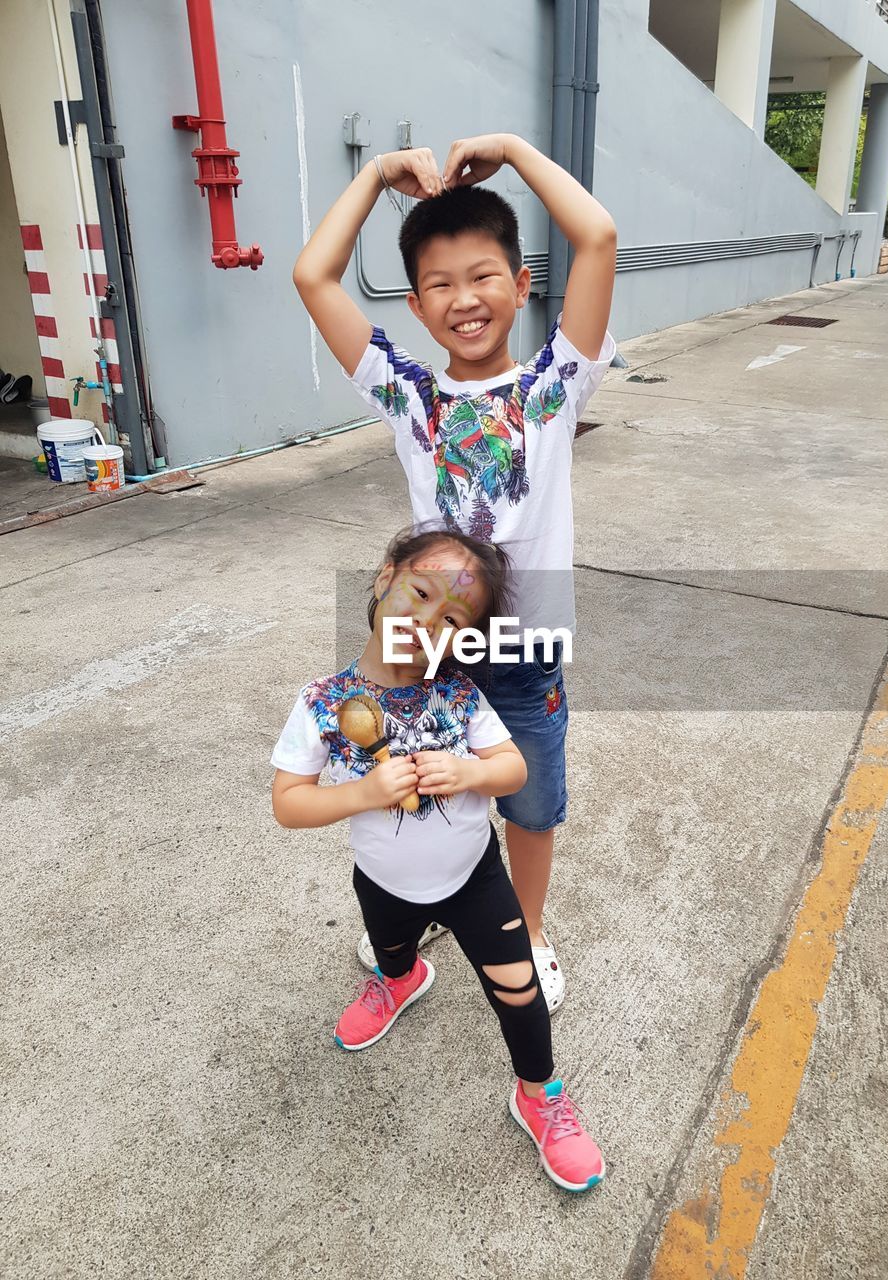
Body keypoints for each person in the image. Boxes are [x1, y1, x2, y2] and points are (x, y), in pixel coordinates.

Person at [293, 132, 617, 1012]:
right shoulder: (410, 397)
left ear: (520, 287)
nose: (463, 299)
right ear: (415, 304)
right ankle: (427, 901)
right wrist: (370, 176)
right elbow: (315, 277)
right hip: (421, 643)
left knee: (533, 803)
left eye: (483, 277)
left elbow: (598, 237)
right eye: (439, 284)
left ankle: (531, 931)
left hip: (523, 649)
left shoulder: (556, 384)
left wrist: (513, 152)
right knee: (420, 782)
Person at [270, 527, 605, 1192]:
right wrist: (361, 792)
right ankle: (400, 979)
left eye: (451, 618)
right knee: (391, 951)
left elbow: (512, 769)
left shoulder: (457, 695)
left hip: (474, 883)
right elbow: (288, 802)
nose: (426, 620)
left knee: (519, 987)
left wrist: (468, 772)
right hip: (383, 883)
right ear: (383, 576)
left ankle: (538, 1094)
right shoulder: (323, 702)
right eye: (419, 592)